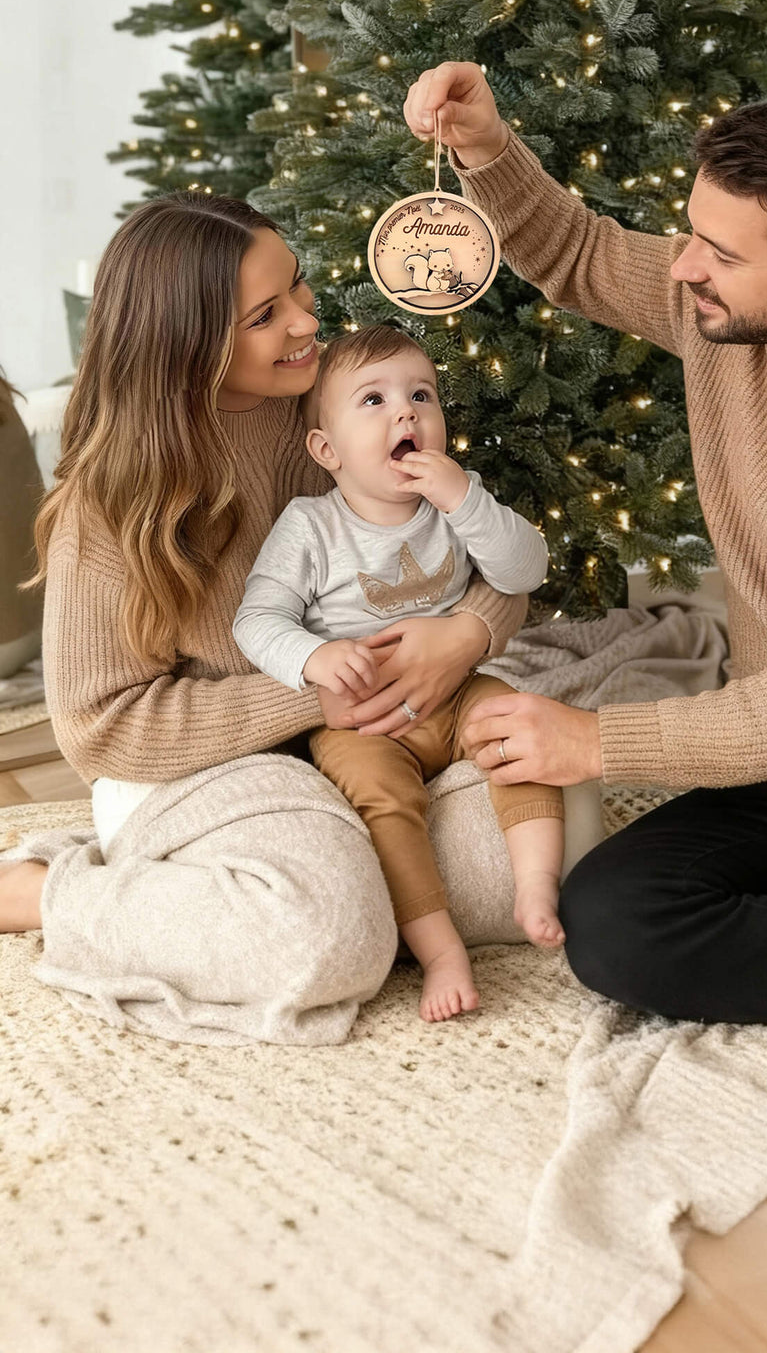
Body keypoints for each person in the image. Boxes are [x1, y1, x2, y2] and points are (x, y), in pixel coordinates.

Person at [400, 60, 767, 1137]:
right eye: (690, 233)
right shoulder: (720, 307)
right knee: (617, 925)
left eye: (719, 252)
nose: (684, 267)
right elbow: (581, 254)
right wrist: (486, 151)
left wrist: (595, 739)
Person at [0, 193, 528, 1043]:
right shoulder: (110, 499)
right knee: (326, 940)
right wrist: (313, 700)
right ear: (187, 342)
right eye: (265, 314)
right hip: (198, 761)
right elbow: (101, 729)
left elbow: (484, 544)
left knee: (533, 859)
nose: (307, 320)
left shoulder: (345, 407)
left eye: (299, 288)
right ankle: (46, 890)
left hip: (367, 739)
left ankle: (292, 875)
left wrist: (466, 632)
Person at [233, 322, 565, 1022]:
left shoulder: (457, 505)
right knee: (381, 805)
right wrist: (315, 657)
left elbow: (525, 570)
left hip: (456, 689)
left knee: (521, 726)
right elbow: (256, 621)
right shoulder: (311, 527)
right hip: (366, 722)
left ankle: (536, 886)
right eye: (374, 401)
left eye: (421, 395)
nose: (405, 412)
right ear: (328, 449)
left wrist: (465, 502)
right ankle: (440, 948)